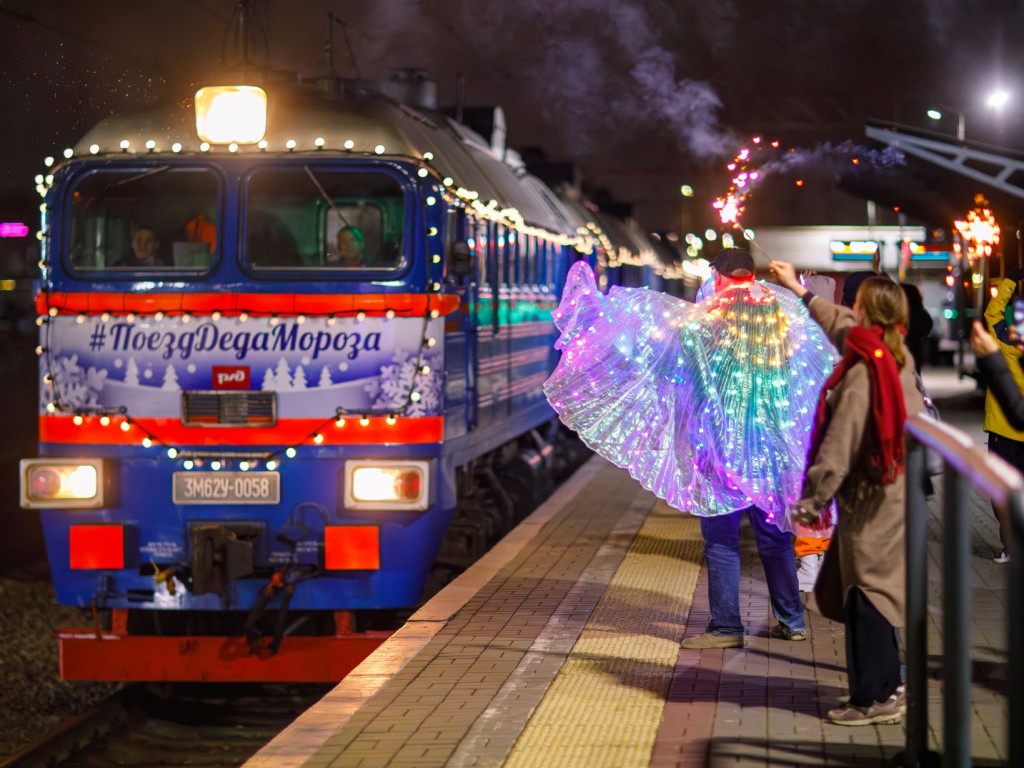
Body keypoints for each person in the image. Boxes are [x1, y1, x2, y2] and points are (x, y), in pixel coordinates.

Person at [545, 249, 835, 650]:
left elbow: (673, 370)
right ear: (751, 275)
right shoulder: (782, 316)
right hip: (769, 446)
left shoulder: (703, 322)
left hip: (717, 447)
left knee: (721, 539)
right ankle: (792, 620)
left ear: (717, 275)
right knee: (774, 538)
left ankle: (726, 627)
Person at [770, 260, 925, 727]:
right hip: (889, 493)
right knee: (869, 592)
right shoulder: (887, 351)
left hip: (872, 499)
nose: (848, 312)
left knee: (868, 597)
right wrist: (798, 290)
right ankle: (886, 687)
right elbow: (842, 328)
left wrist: (812, 500)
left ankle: (875, 697)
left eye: (854, 306)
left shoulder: (863, 374)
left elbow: (839, 446)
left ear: (867, 314)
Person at [978, 265, 1024, 562]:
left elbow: (992, 316)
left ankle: (1011, 544)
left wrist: (1010, 280)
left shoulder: (1005, 349)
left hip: (1004, 432)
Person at [901, 283, 934, 373]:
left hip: (902, 348)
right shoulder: (920, 312)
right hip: (915, 348)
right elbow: (927, 328)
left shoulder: (899, 313)